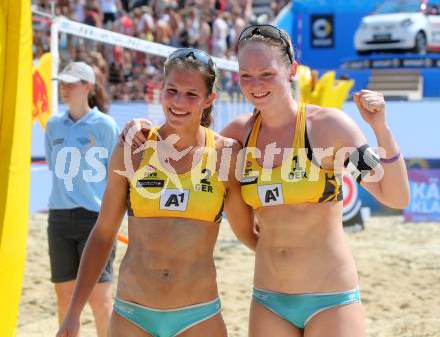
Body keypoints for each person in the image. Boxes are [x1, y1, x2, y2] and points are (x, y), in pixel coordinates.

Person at [120, 25, 410, 337]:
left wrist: (381, 128)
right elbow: (185, 131)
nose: (255, 84)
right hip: (269, 300)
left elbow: (395, 196)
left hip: (330, 297)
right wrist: (141, 128)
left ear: (292, 71)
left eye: (266, 73)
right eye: (246, 75)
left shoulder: (328, 129)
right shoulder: (237, 136)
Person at [56, 49, 258, 337]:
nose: (178, 102)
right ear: (160, 90)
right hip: (133, 313)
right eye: (172, 90)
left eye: (191, 94)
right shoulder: (133, 149)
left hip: (198, 315)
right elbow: (103, 234)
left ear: (209, 99)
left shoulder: (225, 155)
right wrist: (74, 312)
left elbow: (249, 235)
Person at [45, 61, 119, 336]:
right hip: (60, 219)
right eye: (62, 83)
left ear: (88, 87)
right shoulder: (54, 125)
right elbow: (56, 168)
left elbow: (116, 176)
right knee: (64, 300)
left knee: (99, 300)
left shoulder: (105, 125)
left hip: (95, 220)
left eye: (71, 83)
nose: (64, 88)